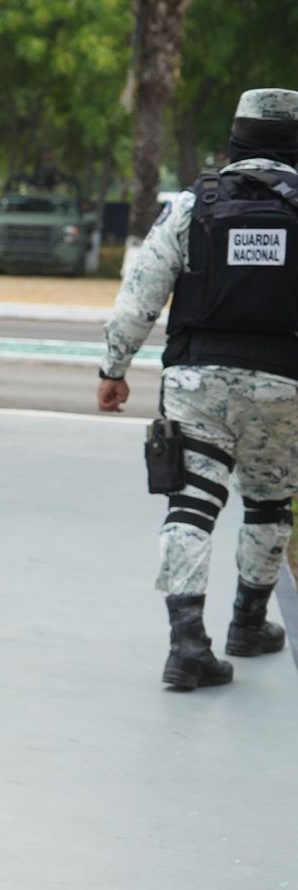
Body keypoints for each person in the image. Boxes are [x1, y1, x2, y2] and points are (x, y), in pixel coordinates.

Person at [98, 88, 298, 691]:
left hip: (197, 381)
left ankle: (188, 644)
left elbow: (141, 291)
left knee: (191, 505)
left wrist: (114, 368)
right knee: (269, 503)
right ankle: (249, 622)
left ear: (236, 138)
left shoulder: (197, 202)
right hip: (283, 384)